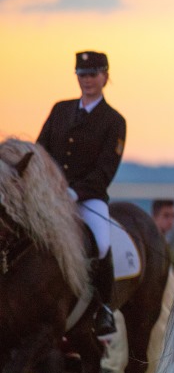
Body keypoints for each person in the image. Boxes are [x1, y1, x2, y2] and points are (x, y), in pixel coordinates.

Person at [37, 50, 126, 337]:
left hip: (88, 198)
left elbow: (105, 169)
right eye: (82, 75)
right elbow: (41, 150)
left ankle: (104, 309)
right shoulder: (60, 109)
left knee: (100, 242)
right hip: (50, 194)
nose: (87, 80)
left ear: (105, 77)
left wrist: (75, 193)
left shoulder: (114, 120)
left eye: (93, 74)